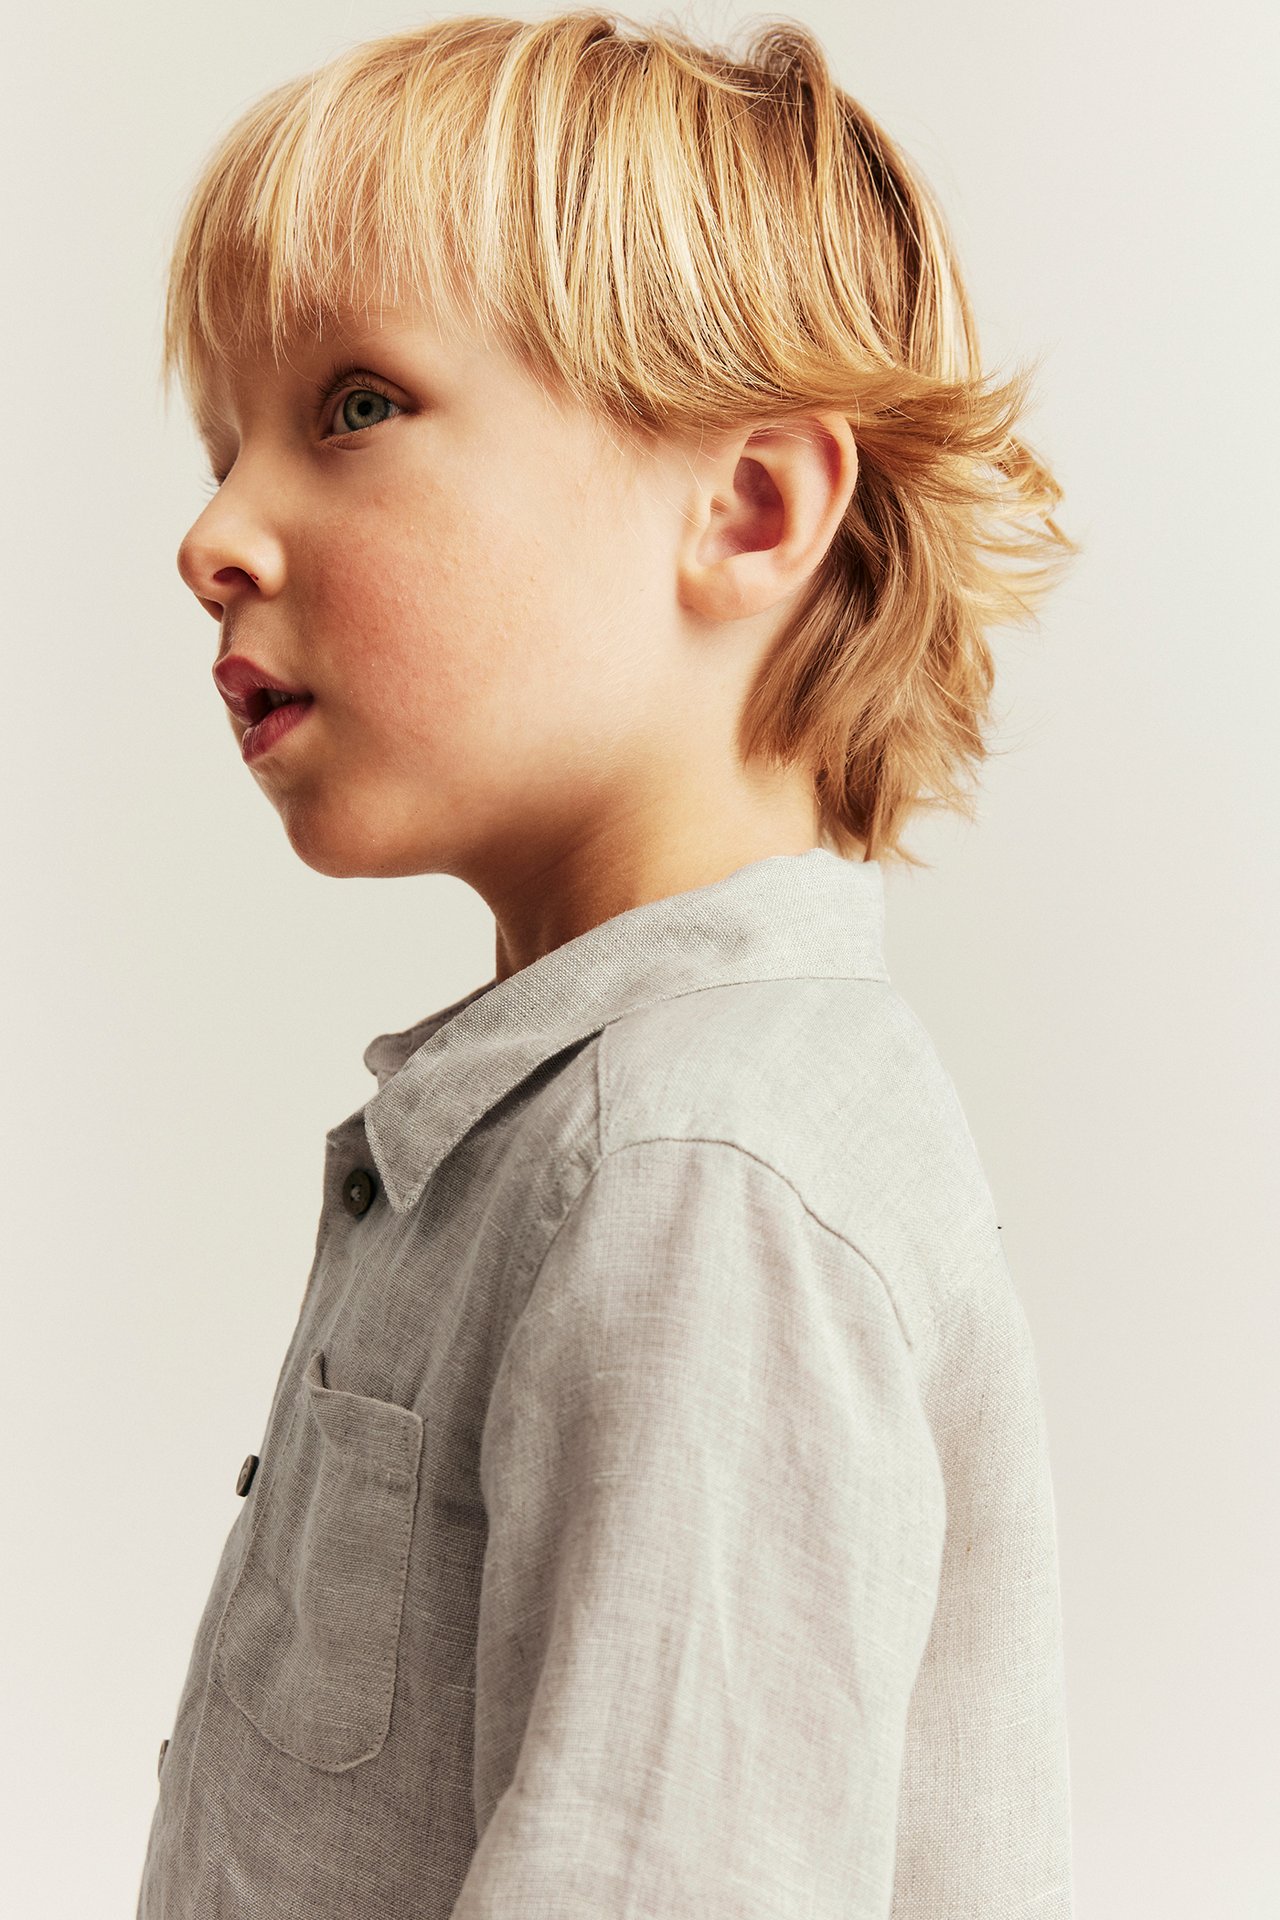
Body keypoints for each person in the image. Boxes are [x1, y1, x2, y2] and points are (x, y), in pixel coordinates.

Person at [136, 11, 1078, 1917]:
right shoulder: (585, 1125)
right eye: (227, 442)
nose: (214, 534)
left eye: (355, 406)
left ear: (743, 508)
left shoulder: (695, 1177)